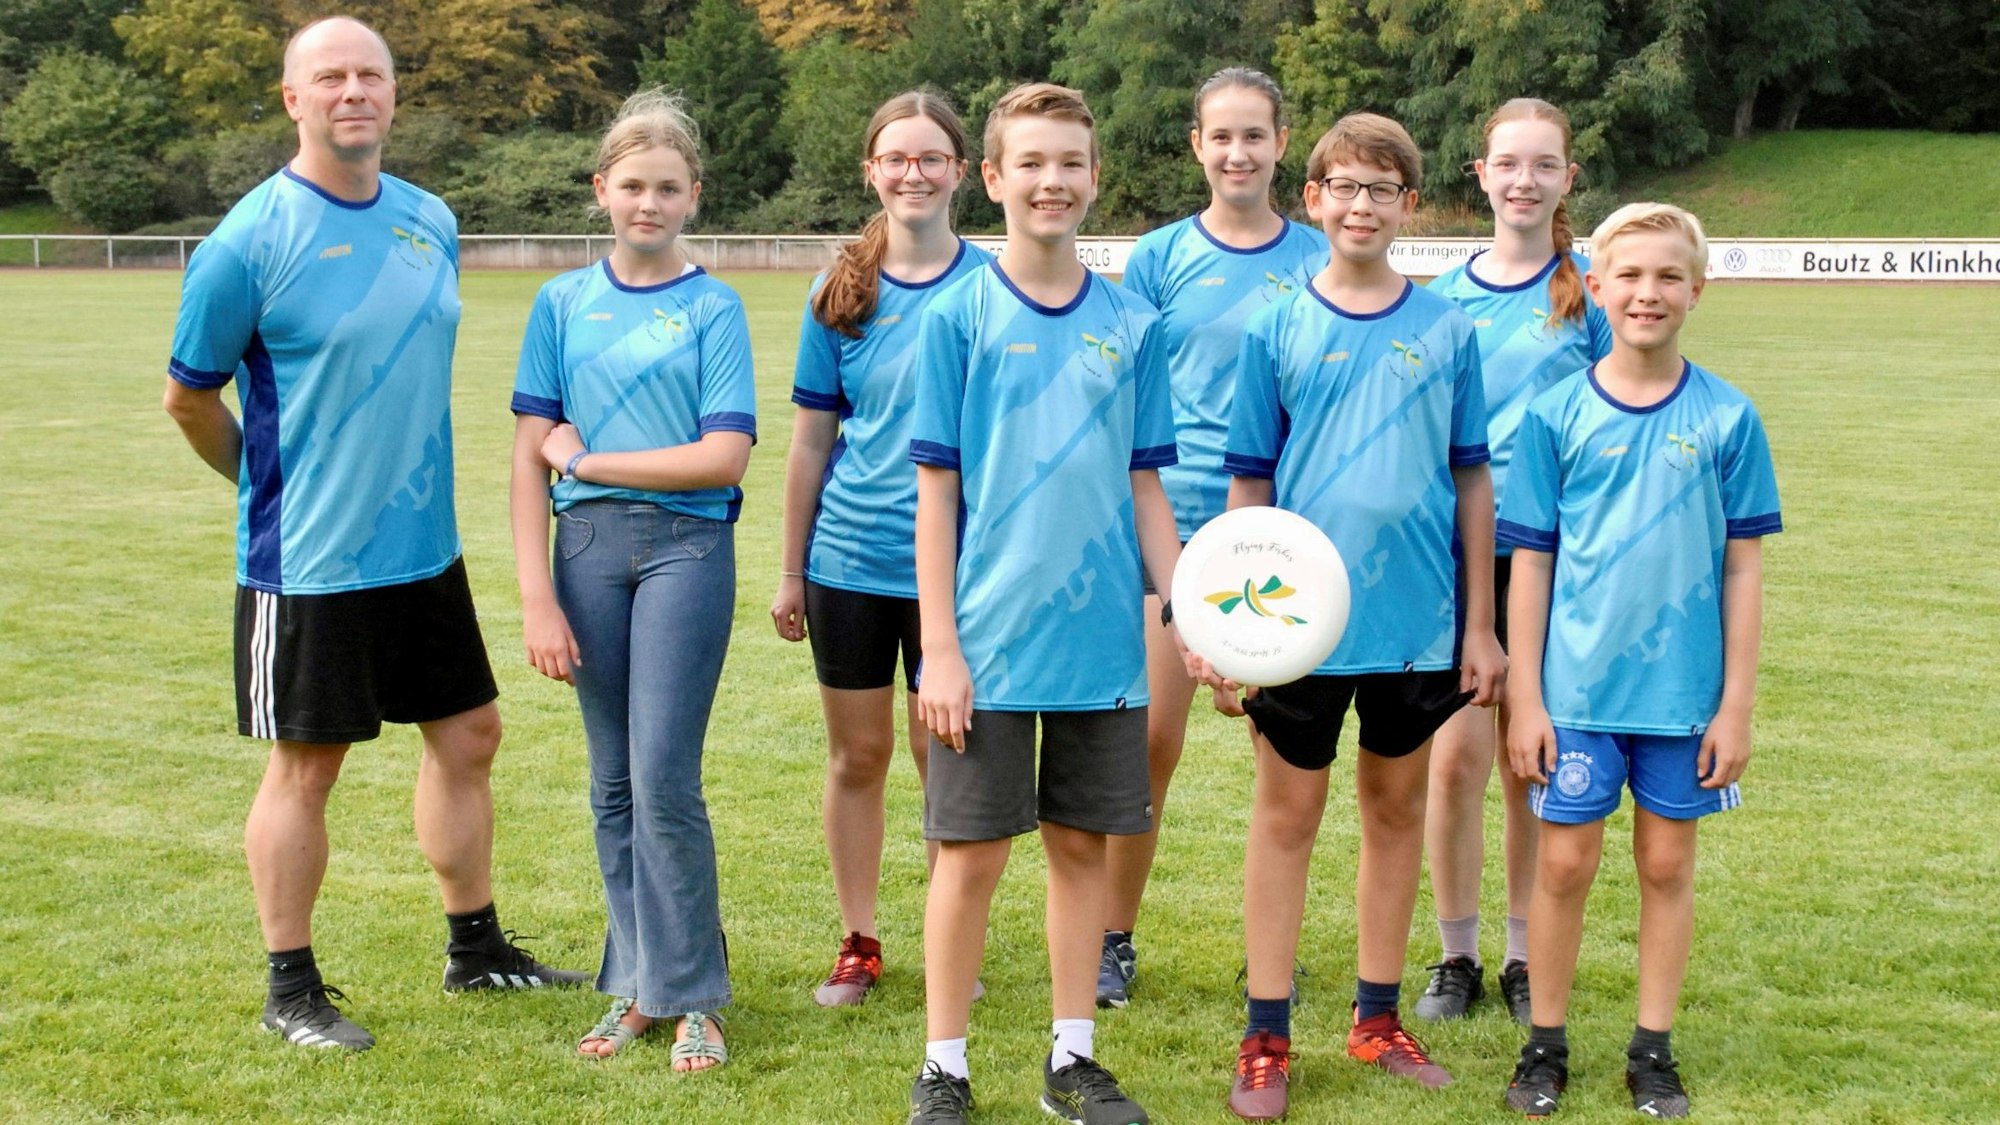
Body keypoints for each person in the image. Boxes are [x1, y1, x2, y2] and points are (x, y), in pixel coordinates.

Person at [160, 15, 586, 1054]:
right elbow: (187, 397)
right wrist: (267, 489)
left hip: (423, 550)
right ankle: (291, 987)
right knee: (309, 766)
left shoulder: (429, 218)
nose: (353, 91)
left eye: (371, 75)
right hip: (310, 560)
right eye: (330, 77)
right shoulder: (247, 242)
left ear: (393, 93)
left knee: (470, 735)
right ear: (292, 99)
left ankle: (475, 949)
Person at [903, 82, 1199, 1125]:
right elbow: (935, 493)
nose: (1051, 181)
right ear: (991, 178)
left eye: (1070, 162)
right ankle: (944, 1066)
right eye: (1029, 162)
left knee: (1080, 848)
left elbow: (1145, 485)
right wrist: (939, 648)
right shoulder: (957, 316)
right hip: (985, 644)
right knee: (971, 855)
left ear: (1094, 177)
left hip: (1100, 644)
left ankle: (1072, 1059)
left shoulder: (1134, 322)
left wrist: (1192, 609)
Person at [1221, 112, 1505, 1120]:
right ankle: (1265, 1033)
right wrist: (1238, 629)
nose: (1360, 205)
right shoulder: (1275, 327)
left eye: (1382, 189)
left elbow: (1472, 481)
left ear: (1409, 205)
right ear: (1313, 199)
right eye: (1342, 186)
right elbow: (1248, 487)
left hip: (1417, 622)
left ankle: (1376, 1017)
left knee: (1393, 814)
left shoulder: (1448, 329)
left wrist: (1480, 625)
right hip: (1300, 627)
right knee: (1286, 818)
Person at [1499, 202, 1781, 1119]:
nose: (1647, 293)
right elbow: (1532, 564)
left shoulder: (1729, 415)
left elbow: (1743, 567)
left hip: (1683, 698)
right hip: (1577, 693)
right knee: (1563, 866)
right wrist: (1527, 697)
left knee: (1665, 864)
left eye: (1668, 276)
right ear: (1597, 287)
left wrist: (1735, 704)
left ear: (1698, 289)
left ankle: (1652, 1049)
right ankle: (1545, 1045)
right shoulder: (1556, 415)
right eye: (1629, 275)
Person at [508, 89, 754, 1069]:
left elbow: (722, 456)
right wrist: (535, 597)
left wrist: (589, 459)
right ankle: (640, 987)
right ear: (602, 189)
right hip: (584, 557)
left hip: (686, 550)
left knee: (662, 777)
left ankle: (694, 997)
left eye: (667, 187)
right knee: (611, 782)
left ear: (693, 195)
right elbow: (526, 454)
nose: (648, 203)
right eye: (632, 186)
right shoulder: (561, 303)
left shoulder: (714, 307)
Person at [1099, 66, 1327, 1010]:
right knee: (1152, 740)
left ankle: (1272, 956)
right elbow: (1131, 393)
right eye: (1221, 136)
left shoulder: (1318, 254)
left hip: (1281, 540)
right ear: (1197, 145)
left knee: (1283, 758)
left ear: (1281, 144)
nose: (1238, 153)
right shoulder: (1159, 257)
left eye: (1255, 135)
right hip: (1175, 532)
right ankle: (1112, 937)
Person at [770, 91, 993, 1008]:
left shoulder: (993, 288)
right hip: (849, 565)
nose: (913, 173)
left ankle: (951, 940)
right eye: (896, 158)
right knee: (857, 758)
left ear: (962, 171)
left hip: (963, 572)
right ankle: (859, 940)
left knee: (948, 761)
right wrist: (791, 570)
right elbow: (810, 444)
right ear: (872, 171)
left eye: (931, 157)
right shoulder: (839, 292)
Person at [1418, 97, 1611, 1024]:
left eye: (1543, 164)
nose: (1524, 181)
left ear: (1568, 178)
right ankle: (1455, 953)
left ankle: (1525, 954)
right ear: (1482, 174)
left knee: (1531, 762)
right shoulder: (1440, 301)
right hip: (1456, 566)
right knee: (1454, 763)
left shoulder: (1593, 297)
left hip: (1554, 566)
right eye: (1508, 163)